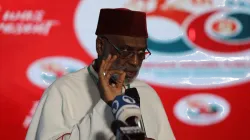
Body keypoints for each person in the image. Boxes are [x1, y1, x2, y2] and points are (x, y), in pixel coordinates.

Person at [26, 8, 175, 140]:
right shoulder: (64, 90)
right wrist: (107, 104)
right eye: (125, 52)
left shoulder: (147, 93)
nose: (135, 62)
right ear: (100, 46)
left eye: (141, 53)